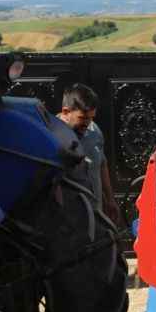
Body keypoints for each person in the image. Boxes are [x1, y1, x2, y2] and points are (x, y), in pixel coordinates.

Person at [58, 83, 120, 223]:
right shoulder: (52, 137)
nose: (88, 123)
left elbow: (102, 164)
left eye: (91, 118)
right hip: (68, 221)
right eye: (83, 118)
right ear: (66, 112)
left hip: (94, 214)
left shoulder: (94, 131)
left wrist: (110, 199)